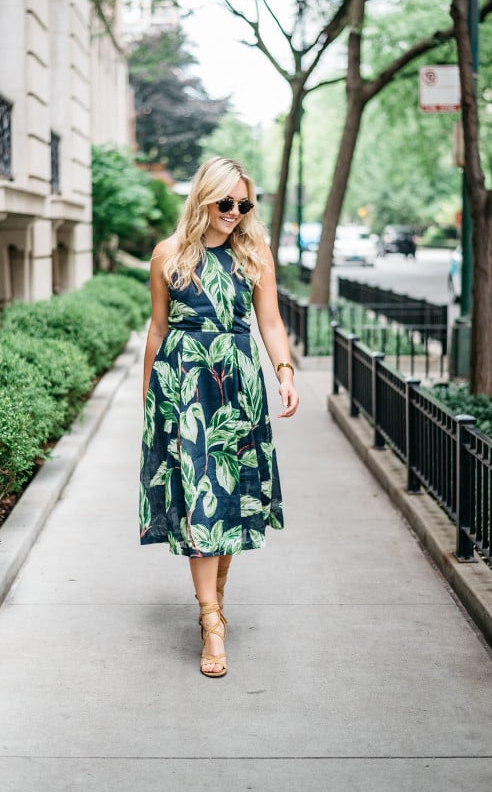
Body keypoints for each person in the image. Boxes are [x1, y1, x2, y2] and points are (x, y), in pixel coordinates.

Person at [139, 156, 299, 678]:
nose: (235, 212)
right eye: (226, 202)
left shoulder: (254, 253)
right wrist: (149, 400)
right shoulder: (168, 254)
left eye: (244, 204)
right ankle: (211, 621)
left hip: (238, 388)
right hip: (185, 388)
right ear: (203, 199)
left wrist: (285, 371)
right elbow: (158, 329)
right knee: (200, 500)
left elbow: (270, 322)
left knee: (231, 498)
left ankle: (216, 600)